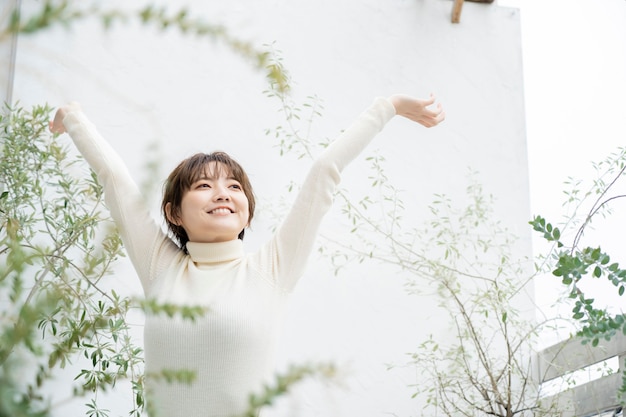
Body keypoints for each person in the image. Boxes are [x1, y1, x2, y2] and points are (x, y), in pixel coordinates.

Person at [49, 94, 444, 417]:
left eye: (234, 186)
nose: (222, 193)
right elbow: (116, 183)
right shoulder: (160, 267)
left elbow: (325, 170)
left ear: (247, 210)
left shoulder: (271, 269)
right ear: (174, 212)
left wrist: (386, 107)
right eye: (204, 185)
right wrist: (75, 119)